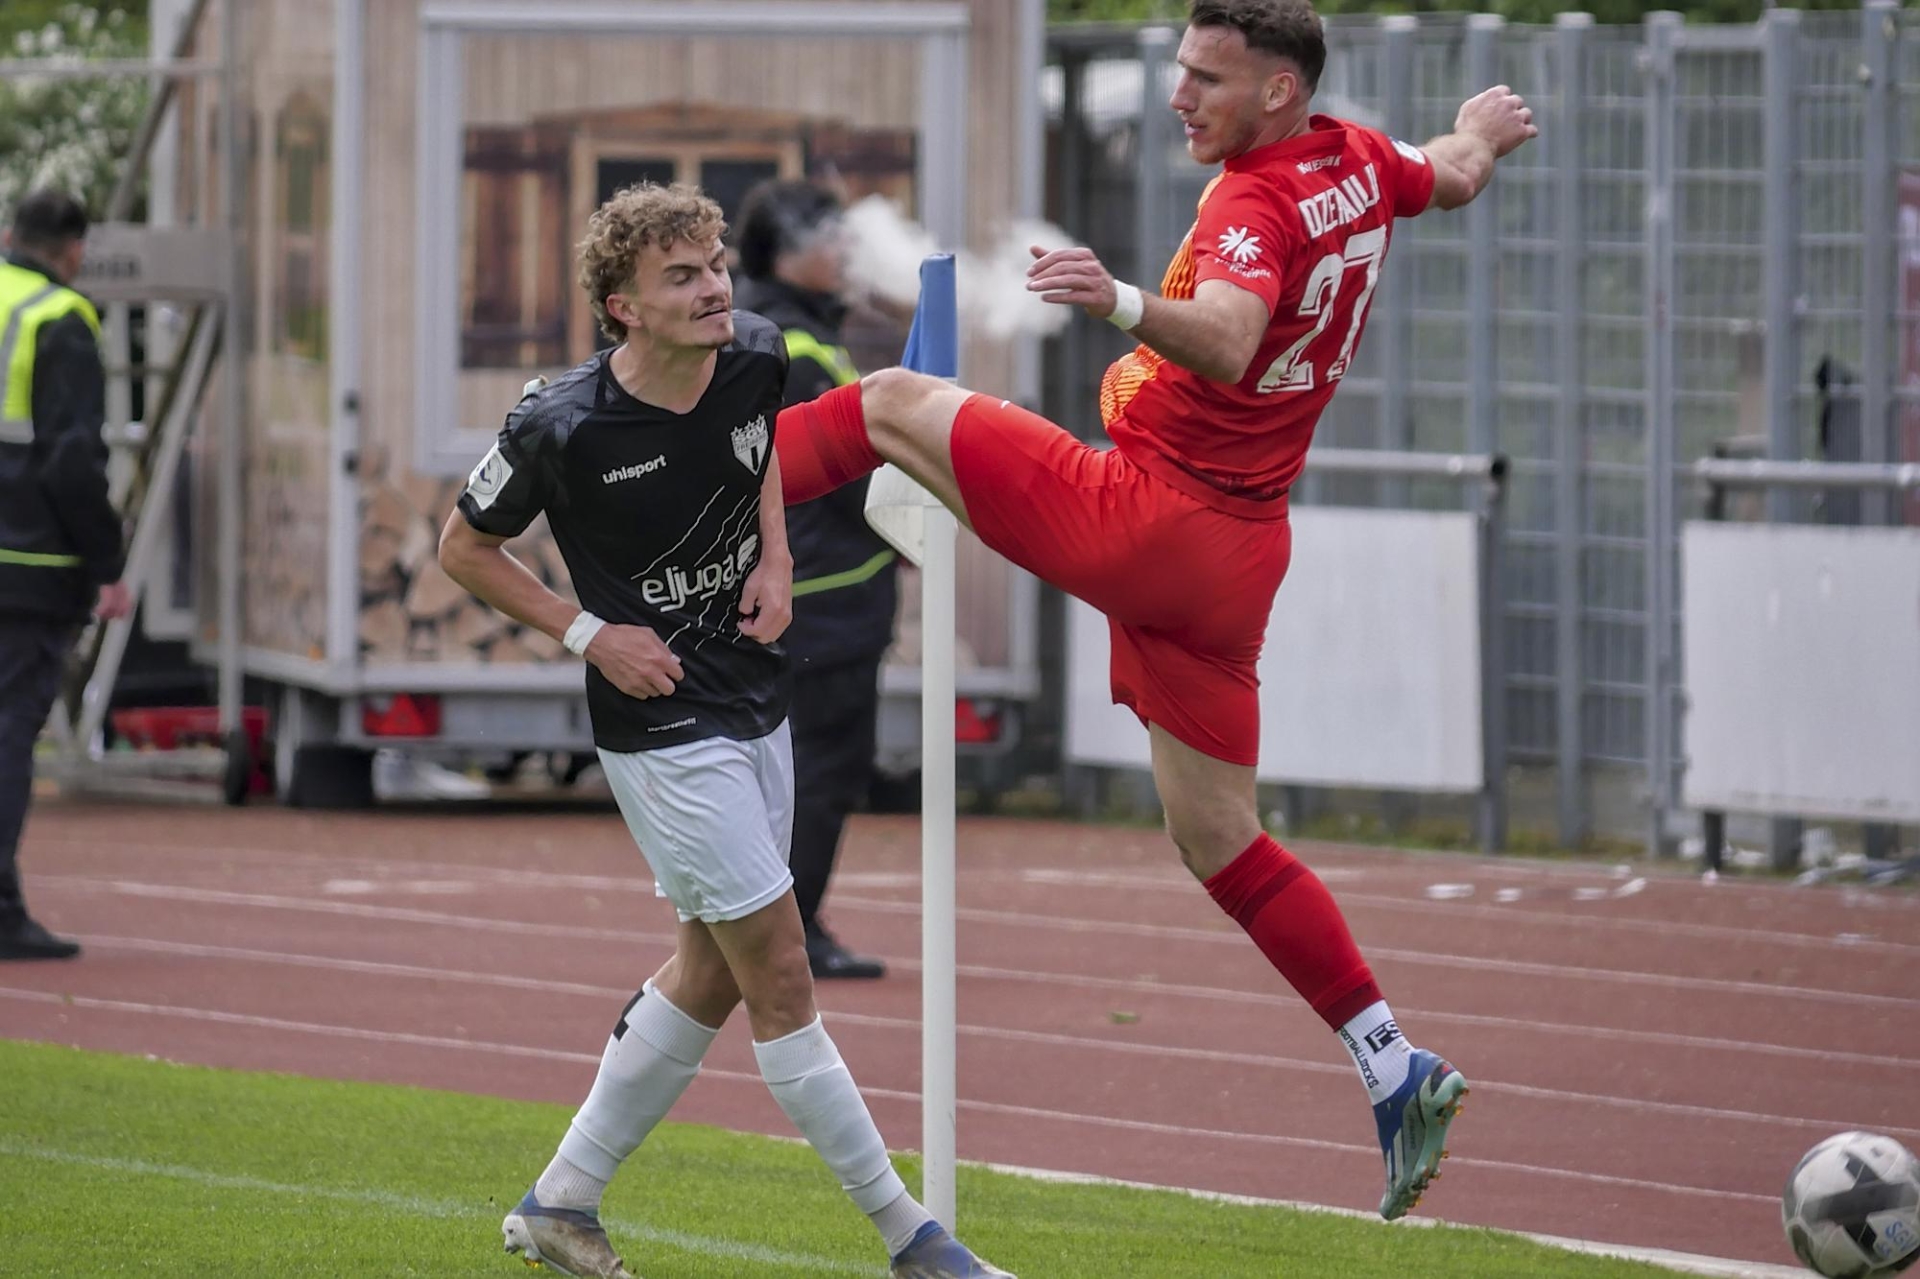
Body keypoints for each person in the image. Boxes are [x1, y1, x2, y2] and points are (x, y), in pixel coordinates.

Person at [772, 0, 1536, 1222]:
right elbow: (1447, 173)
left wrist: (1117, 297)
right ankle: (1393, 1062)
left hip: (1153, 517)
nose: (1180, 96)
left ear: (1278, 91)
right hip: (1241, 551)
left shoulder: (1254, 203)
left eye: (1207, 78)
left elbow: (1227, 338)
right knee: (1220, 836)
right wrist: (1480, 132)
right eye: (1180, 71)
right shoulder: (1355, 155)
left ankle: (702, 486)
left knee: (894, 404)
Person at [438, 182, 1011, 1279]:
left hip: (758, 694)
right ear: (622, 307)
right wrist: (590, 635)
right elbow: (462, 549)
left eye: (714, 265)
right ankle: (915, 1241)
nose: (715, 290)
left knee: (709, 970)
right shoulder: (559, 423)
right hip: (661, 726)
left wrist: (779, 558)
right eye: (682, 276)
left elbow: (760, 462)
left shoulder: (756, 353)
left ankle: (562, 1200)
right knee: (781, 972)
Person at [733, 178, 894, 981]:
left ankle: (778, 924)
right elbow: (843, 471)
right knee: (822, 769)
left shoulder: (774, 332)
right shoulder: (795, 348)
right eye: (831, 236)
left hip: (809, 588)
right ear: (789, 252)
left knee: (791, 770)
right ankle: (790, 933)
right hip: (828, 594)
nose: (846, 251)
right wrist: (911, 513)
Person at [0, 189, 131, 963]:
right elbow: (73, 460)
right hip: (27, 566)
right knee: (10, 728)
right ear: (75, 250)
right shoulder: (61, 318)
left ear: (10, 233)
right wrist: (107, 563)